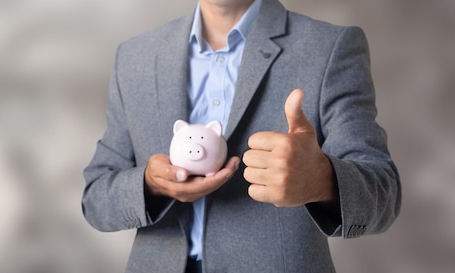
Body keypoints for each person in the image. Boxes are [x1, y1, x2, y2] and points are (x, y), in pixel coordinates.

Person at [82, 0, 401, 272]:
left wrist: (323, 179)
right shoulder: (134, 56)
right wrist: (149, 185)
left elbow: (384, 196)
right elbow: (96, 199)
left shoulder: (329, 47)